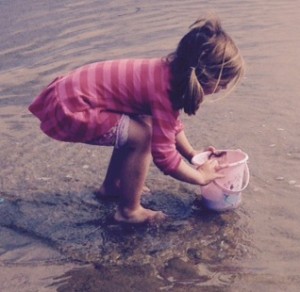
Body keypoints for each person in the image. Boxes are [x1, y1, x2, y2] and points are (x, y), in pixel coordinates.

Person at [29, 17, 244, 224]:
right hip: (73, 107)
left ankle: (113, 186)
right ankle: (128, 211)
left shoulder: (168, 73)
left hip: (71, 94)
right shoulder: (164, 89)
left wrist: (192, 154)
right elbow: (164, 156)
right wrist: (200, 178)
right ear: (203, 77)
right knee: (143, 136)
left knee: (142, 123)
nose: (222, 89)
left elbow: (169, 124)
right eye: (221, 84)